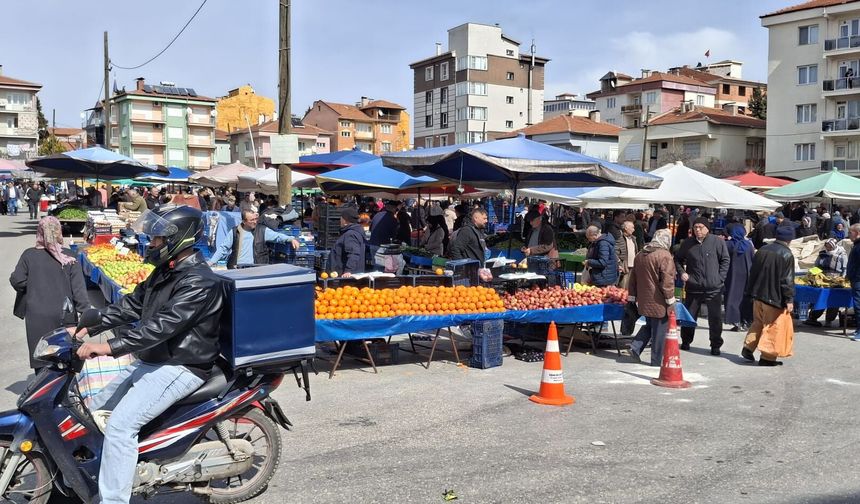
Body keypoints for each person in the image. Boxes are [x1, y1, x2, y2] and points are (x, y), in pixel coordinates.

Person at [72, 205, 222, 504]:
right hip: (156, 358)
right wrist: (91, 325)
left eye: (157, 240)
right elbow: (131, 306)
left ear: (180, 239)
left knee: (120, 425)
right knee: (94, 407)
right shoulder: (164, 272)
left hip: (182, 365)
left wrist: (109, 347)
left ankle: (113, 500)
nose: (151, 244)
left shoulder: (199, 281)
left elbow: (161, 327)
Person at [9, 217, 89, 371]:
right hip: (65, 316)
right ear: (59, 232)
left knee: (42, 358)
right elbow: (79, 292)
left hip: (37, 316)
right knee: (65, 360)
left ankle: (43, 390)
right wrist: (87, 320)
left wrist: (34, 283)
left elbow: (17, 280)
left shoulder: (29, 255)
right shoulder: (69, 257)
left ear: (39, 233)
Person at [675, 217, 730, 355]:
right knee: (690, 316)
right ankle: (686, 341)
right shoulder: (688, 243)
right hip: (694, 286)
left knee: (715, 318)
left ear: (707, 228)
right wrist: (682, 272)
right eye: (695, 227)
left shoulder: (717, 242)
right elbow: (678, 259)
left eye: (700, 227)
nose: (698, 230)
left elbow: (725, 260)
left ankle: (715, 344)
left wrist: (720, 278)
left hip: (713, 287)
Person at [742, 226, 796, 365]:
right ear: (790, 239)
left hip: (757, 294)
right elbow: (787, 280)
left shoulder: (763, 249)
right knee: (772, 326)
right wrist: (789, 299)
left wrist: (750, 292)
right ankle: (767, 358)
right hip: (773, 297)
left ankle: (748, 347)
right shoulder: (786, 254)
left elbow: (752, 272)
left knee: (758, 322)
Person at [626, 229, 676, 366]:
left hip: (644, 299)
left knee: (649, 325)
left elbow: (633, 279)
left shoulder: (641, 254)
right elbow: (667, 281)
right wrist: (670, 300)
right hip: (658, 300)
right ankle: (656, 360)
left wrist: (632, 296)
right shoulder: (664, 255)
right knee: (660, 330)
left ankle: (635, 347)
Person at [208, 210, 300, 268]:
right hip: (237, 269)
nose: (255, 222)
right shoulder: (234, 232)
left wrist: (291, 239)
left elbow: (277, 236)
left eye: (255, 219)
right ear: (244, 221)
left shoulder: (262, 230)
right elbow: (223, 248)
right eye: (251, 220)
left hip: (256, 268)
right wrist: (211, 262)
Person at [804, 238, 848, 328]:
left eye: (830, 246)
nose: (828, 248)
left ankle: (829, 320)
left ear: (834, 245)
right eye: (827, 246)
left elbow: (845, 268)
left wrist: (842, 279)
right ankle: (813, 317)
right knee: (821, 299)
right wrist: (813, 275)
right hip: (822, 280)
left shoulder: (841, 254)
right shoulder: (822, 254)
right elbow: (816, 265)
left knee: (834, 300)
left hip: (836, 280)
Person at [725, 223, 755, 332]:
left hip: (732, 276)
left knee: (733, 298)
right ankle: (745, 321)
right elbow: (753, 259)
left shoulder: (728, 245)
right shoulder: (748, 245)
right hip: (747, 275)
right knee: (745, 299)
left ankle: (736, 321)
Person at [331, 207, 366, 277]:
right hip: (350, 273)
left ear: (345, 220)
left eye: (341, 218)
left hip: (348, 276)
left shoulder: (350, 234)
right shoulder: (353, 232)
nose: (340, 220)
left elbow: (354, 252)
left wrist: (348, 270)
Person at [846, 224, 860, 341]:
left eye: (850, 232)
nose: (849, 235)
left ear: (857, 233)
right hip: (855, 279)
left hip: (858, 280)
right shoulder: (856, 245)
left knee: (858, 306)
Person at [617, 220, 638, 289]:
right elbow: (616, 252)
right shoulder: (620, 238)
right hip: (624, 265)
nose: (634, 230)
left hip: (633, 265)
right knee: (623, 286)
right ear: (626, 228)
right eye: (632, 227)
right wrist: (619, 263)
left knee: (631, 286)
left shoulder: (633, 238)